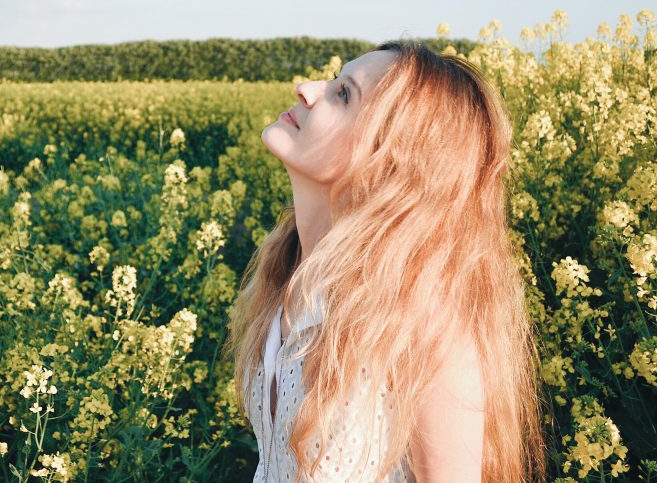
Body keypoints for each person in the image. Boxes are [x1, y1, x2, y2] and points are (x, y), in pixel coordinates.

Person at [221, 40, 548, 483]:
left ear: (388, 162)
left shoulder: (425, 325)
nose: (306, 89)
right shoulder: (289, 275)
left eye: (342, 94)